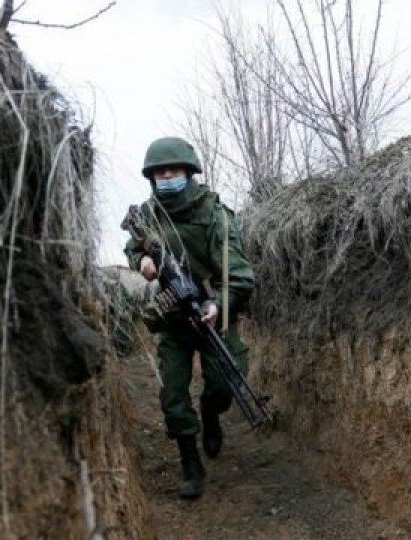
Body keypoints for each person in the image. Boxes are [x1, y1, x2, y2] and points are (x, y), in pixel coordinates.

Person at [124, 136, 255, 499]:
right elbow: (133, 246)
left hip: (211, 312)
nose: (167, 177)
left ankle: (211, 414)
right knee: (173, 396)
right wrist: (142, 262)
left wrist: (218, 306)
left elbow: (242, 277)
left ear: (189, 171)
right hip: (173, 321)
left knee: (225, 383)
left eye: (173, 170)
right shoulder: (148, 215)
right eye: (159, 173)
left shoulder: (214, 215)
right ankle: (189, 461)